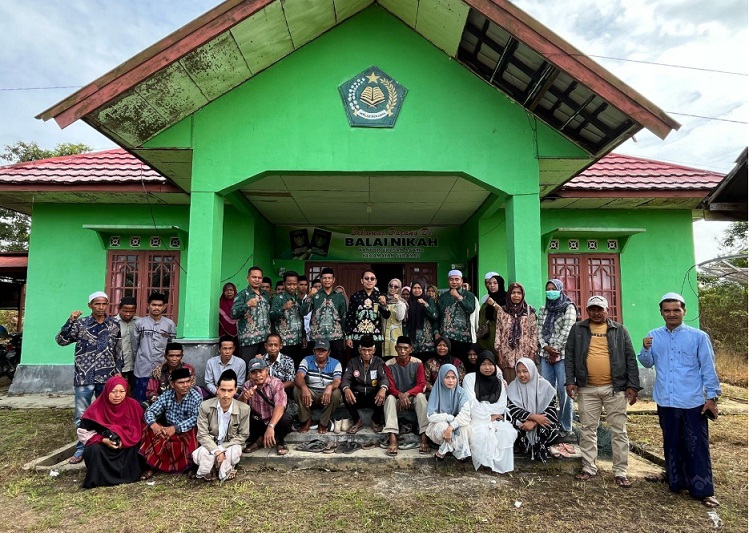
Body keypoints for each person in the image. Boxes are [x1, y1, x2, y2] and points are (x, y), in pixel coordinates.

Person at [639, 292, 721, 508]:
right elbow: (647, 364)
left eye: (676, 310)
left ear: (684, 311)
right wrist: (645, 349)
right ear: (661, 313)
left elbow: (708, 368)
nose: (672, 314)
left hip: (692, 400)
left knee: (697, 445)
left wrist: (712, 397)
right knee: (672, 442)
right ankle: (676, 481)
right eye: (667, 310)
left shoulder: (698, 337)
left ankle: (703, 489)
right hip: (666, 400)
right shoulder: (654, 336)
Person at [565, 295, 641, 486]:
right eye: (592, 309)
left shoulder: (620, 330)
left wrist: (632, 385)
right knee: (588, 429)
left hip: (614, 389)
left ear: (607, 311)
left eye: (600, 309)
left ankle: (620, 471)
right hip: (587, 388)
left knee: (618, 430)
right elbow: (570, 355)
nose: (596, 313)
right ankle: (588, 467)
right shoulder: (578, 329)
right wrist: (569, 381)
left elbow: (630, 358)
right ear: (587, 311)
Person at [56, 291, 123, 464]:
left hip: (106, 376)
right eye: (97, 304)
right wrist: (70, 320)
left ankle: (104, 445)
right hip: (84, 377)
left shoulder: (114, 325)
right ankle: (81, 449)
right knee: (82, 415)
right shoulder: (81, 324)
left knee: (106, 412)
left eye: (104, 304)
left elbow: (118, 350)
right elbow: (61, 340)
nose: (100, 307)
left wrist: (118, 372)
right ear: (90, 306)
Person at [77, 375, 143, 488]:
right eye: (113, 391)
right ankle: (100, 478)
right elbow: (83, 432)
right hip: (105, 447)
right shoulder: (95, 409)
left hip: (128, 446)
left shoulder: (133, 405)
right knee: (92, 449)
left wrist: (125, 439)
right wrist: (103, 440)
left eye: (122, 391)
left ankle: (129, 475)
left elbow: (141, 427)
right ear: (107, 391)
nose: (118, 395)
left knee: (139, 445)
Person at [139, 367, 202, 479]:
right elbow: (150, 411)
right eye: (181, 383)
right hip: (167, 431)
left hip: (185, 432)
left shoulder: (196, 397)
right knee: (148, 427)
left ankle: (191, 467)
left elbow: (196, 418)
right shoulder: (167, 395)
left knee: (195, 430)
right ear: (172, 384)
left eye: (188, 382)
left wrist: (176, 428)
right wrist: (154, 424)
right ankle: (151, 465)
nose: (186, 385)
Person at [192, 369, 250, 481]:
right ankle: (215, 467)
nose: (226, 395)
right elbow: (202, 434)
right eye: (223, 390)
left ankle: (221, 469)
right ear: (217, 389)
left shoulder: (244, 409)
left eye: (230, 390)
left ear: (235, 390)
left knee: (235, 452)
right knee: (198, 455)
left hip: (230, 445)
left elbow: (243, 435)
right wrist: (217, 451)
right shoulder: (205, 406)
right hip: (212, 445)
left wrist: (222, 448)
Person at [463, 351, 516, 473]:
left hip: (495, 418)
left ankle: (497, 466)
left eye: (491, 364)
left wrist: (488, 412)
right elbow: (471, 403)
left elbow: (502, 405)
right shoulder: (470, 379)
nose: (487, 368)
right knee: (481, 434)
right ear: (478, 365)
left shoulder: (499, 383)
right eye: (483, 364)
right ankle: (486, 464)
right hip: (475, 418)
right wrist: (488, 416)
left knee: (506, 433)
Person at [536, 279, 577, 435]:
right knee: (547, 390)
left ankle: (566, 425)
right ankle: (550, 422)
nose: (550, 291)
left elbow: (567, 331)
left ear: (560, 290)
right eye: (548, 289)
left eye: (554, 288)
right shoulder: (543, 309)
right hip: (546, 354)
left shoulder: (569, 308)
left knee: (564, 390)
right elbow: (539, 330)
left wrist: (556, 350)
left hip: (564, 355)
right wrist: (545, 346)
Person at [507, 357, 561, 462]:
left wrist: (535, 422)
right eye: (518, 372)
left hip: (541, 422)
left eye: (525, 371)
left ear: (532, 370)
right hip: (524, 421)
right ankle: (528, 446)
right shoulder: (513, 386)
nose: (522, 375)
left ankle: (536, 447)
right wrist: (533, 417)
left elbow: (551, 411)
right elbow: (511, 409)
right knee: (512, 423)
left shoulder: (545, 386)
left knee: (547, 425)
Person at [383, 337, 430, 455]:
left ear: (410, 349)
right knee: (389, 399)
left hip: (411, 398)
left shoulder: (417, 363)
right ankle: (392, 437)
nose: (402, 351)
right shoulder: (389, 364)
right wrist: (400, 395)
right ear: (396, 348)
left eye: (405, 348)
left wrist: (407, 394)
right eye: (400, 348)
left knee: (421, 397)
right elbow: (390, 386)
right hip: (397, 398)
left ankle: (424, 435)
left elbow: (421, 384)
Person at [240, 359, 294, 455]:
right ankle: (259, 439)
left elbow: (280, 405)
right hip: (259, 420)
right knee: (246, 418)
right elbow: (240, 408)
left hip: (275, 420)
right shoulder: (247, 385)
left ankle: (280, 441)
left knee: (285, 419)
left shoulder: (276, 383)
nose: (258, 375)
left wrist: (271, 426)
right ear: (249, 374)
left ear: (267, 370)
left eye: (260, 371)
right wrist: (244, 398)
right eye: (254, 373)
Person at [132, 292, 177, 402]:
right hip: (142, 367)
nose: (156, 308)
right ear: (148, 306)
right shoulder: (139, 323)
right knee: (140, 399)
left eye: (160, 305)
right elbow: (134, 345)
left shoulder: (169, 324)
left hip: (162, 369)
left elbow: (171, 346)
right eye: (154, 305)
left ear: (164, 307)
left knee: (161, 400)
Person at [341, 336, 388, 434]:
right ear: (359, 350)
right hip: (359, 396)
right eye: (364, 350)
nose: (367, 353)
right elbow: (346, 378)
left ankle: (375, 421)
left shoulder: (379, 362)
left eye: (369, 350)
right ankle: (357, 421)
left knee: (384, 392)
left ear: (374, 350)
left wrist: (383, 388)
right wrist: (346, 389)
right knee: (344, 391)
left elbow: (384, 378)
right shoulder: (353, 362)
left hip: (373, 397)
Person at [293, 339, 342, 434]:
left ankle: (323, 422)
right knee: (296, 390)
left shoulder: (336, 363)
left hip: (325, 395)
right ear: (314, 351)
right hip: (310, 395)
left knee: (337, 393)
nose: (320, 353)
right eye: (318, 350)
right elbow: (299, 376)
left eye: (323, 350)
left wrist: (329, 387)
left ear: (329, 352)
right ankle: (306, 420)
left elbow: (337, 381)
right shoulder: (307, 360)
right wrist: (304, 388)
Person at [301, 267, 347, 361]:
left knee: (336, 363)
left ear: (333, 280)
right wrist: (309, 295)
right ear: (321, 280)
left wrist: (345, 336)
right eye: (325, 278)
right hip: (318, 337)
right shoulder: (315, 295)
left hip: (336, 337)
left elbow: (344, 317)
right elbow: (303, 311)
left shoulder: (339, 297)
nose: (327, 280)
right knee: (316, 363)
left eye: (329, 278)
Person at [494, 282, 537, 382]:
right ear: (509, 294)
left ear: (523, 295)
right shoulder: (502, 311)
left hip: (525, 354)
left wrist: (532, 353)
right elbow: (498, 332)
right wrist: (499, 353)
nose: (516, 295)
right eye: (513, 293)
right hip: (507, 354)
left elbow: (533, 333)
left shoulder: (529, 312)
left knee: (524, 382)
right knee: (509, 383)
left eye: (519, 293)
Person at [426, 364, 471, 460]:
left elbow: (465, 414)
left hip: (455, 424)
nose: (451, 381)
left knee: (465, 426)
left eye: (453, 377)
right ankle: (458, 448)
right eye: (447, 377)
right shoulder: (436, 391)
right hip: (438, 427)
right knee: (442, 426)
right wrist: (448, 417)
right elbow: (431, 416)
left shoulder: (461, 392)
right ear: (441, 377)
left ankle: (443, 449)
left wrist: (451, 427)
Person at [231, 266, 272, 365]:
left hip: (265, 340)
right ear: (247, 278)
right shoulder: (242, 295)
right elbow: (233, 314)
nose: (257, 280)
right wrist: (247, 305)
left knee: (264, 368)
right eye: (254, 277)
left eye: (259, 278)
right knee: (248, 367)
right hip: (249, 340)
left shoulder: (266, 295)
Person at [345, 269, 390, 356]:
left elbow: (386, 316)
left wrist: (384, 305)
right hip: (358, 336)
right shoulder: (355, 296)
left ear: (376, 281)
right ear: (362, 281)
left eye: (372, 279)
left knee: (375, 363)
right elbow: (350, 317)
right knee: (357, 362)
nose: (369, 281)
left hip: (375, 336)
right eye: (366, 278)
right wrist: (348, 337)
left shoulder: (381, 296)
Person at [437, 269, 476, 364]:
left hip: (463, 338)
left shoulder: (469, 295)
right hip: (446, 338)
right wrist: (436, 332)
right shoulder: (443, 297)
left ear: (461, 281)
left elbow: (470, 309)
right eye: (451, 279)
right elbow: (438, 316)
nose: (454, 282)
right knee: (446, 363)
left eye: (457, 279)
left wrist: (458, 297)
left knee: (462, 363)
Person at [269, 271, 306, 366]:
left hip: (298, 342)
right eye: (289, 284)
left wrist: (304, 336)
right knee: (284, 367)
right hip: (284, 342)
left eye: (294, 284)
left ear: (297, 284)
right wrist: (283, 308)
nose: (292, 287)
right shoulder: (278, 298)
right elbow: (271, 316)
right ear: (284, 284)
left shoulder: (299, 299)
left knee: (297, 367)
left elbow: (302, 318)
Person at [404, 280, 439, 360]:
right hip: (413, 341)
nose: (417, 290)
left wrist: (425, 304)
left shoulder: (429, 300)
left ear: (423, 289)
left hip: (427, 341)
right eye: (414, 288)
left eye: (419, 288)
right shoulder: (408, 302)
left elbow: (435, 316)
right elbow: (406, 321)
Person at [477, 274, 506, 356]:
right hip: (485, 336)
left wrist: (493, 304)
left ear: (500, 284)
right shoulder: (486, 299)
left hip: (499, 337)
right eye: (490, 283)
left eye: (495, 283)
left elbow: (506, 317)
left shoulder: (506, 298)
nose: (492, 285)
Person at [114, 296, 138, 394]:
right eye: (125, 310)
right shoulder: (112, 323)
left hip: (136, 364)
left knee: (134, 391)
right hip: (118, 365)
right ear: (119, 308)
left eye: (131, 311)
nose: (128, 313)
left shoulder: (139, 322)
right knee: (118, 390)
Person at [382, 278, 408, 358]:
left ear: (399, 289)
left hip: (395, 336)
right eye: (391, 286)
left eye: (396, 287)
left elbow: (400, 317)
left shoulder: (402, 302)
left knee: (394, 358)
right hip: (383, 335)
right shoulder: (383, 299)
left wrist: (398, 302)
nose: (392, 288)